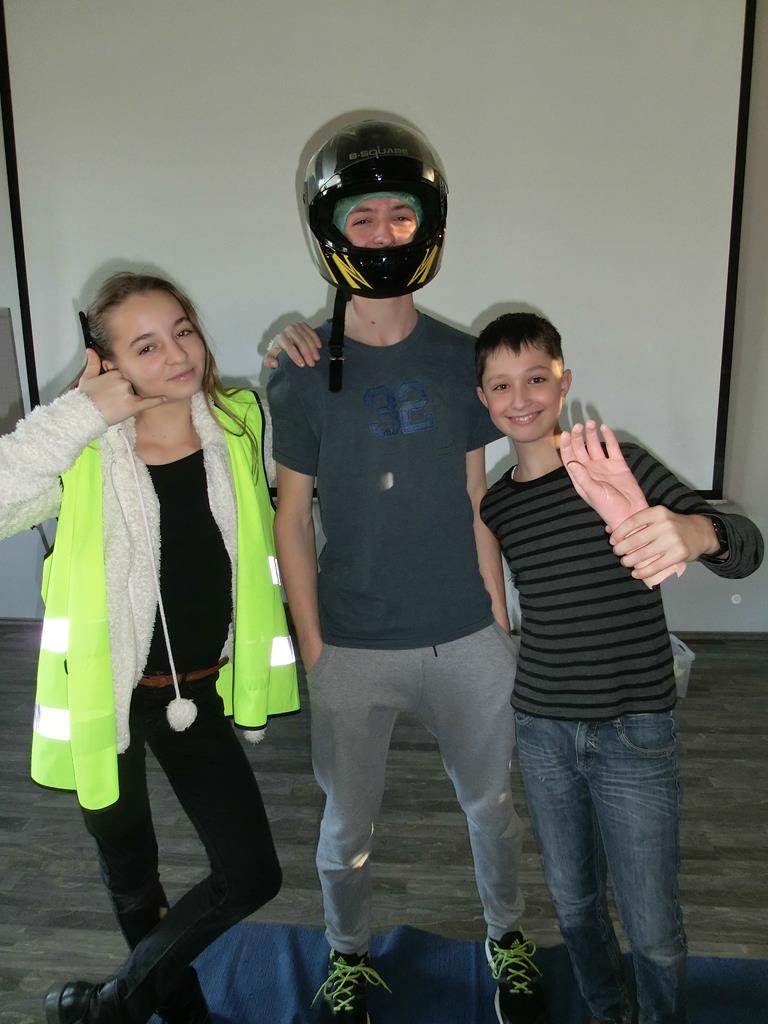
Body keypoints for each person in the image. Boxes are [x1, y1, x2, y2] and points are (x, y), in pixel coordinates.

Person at [266, 120, 546, 1024]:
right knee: (346, 826)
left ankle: (508, 938)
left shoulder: (463, 360)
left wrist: (497, 620)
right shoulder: (300, 372)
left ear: (427, 223)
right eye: (363, 217)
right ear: (331, 230)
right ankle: (347, 954)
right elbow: (291, 518)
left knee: (491, 809)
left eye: (400, 214)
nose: (384, 232)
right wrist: (315, 649)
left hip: (465, 634)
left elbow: (475, 495)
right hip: (352, 645)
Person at [0, 272, 300, 1024]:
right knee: (132, 874)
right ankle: (177, 1010)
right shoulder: (86, 452)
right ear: (108, 365)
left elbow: (308, 462)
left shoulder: (238, 423)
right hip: (106, 696)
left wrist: (297, 356)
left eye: (182, 330)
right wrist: (80, 411)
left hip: (195, 693)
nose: (176, 354)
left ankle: (114, 1005)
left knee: (251, 874)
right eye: (146, 346)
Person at [475, 312, 763, 1024]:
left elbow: (747, 548)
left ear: (563, 381)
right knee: (575, 908)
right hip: (543, 731)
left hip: (634, 731)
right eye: (501, 385)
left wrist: (695, 532)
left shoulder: (616, 462)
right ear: (482, 398)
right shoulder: (498, 505)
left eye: (536, 379)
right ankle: (608, 1011)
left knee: (653, 925)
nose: (521, 398)